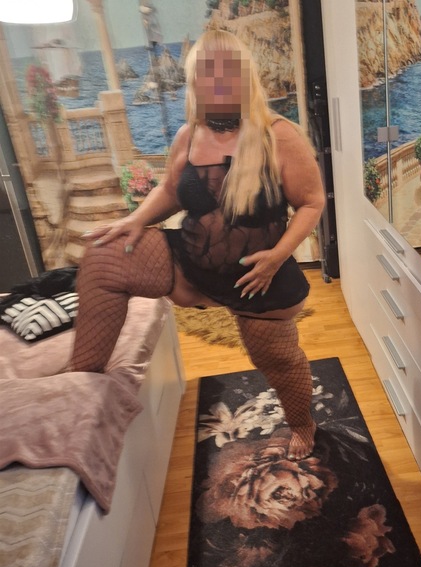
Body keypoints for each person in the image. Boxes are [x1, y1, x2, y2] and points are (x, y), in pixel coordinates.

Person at [72, 29, 325, 461]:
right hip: (191, 263)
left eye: (228, 71)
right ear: (195, 81)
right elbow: (170, 191)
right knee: (104, 257)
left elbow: (312, 202)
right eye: (208, 72)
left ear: (245, 76)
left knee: (278, 363)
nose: (218, 81)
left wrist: (278, 257)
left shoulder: (278, 135)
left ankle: (303, 423)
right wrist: (134, 221)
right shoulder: (188, 136)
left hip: (257, 278)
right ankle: (82, 383)